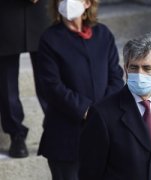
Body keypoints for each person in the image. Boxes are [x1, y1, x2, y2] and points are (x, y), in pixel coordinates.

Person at [79, 33, 151, 180]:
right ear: (126, 69)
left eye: (147, 68)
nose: (139, 74)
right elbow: (90, 172)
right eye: (134, 67)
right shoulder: (102, 113)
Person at [36, 0, 124, 179]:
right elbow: (52, 86)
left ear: (87, 3)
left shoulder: (103, 35)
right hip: (65, 138)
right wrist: (86, 110)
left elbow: (116, 77)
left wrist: (102, 111)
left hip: (102, 133)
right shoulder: (50, 39)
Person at [0, 0, 49, 158]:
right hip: (6, 10)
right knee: (7, 82)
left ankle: (54, 127)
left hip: (42, 10)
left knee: (49, 77)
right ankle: (16, 134)